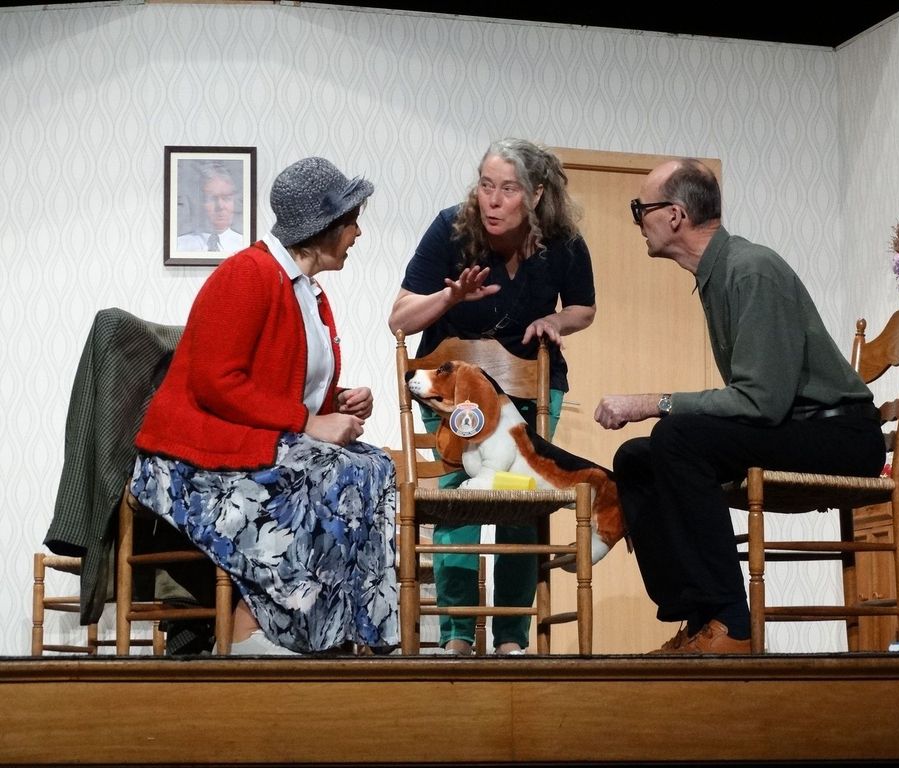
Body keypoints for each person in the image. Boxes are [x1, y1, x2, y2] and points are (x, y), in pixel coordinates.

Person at [594, 158, 885, 655]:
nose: (638, 220)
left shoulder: (751, 270)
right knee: (635, 459)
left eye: (640, 209)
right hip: (795, 425)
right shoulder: (719, 274)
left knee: (675, 436)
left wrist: (653, 403)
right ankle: (700, 617)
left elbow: (761, 402)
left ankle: (733, 622)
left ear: (675, 215)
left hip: (841, 436)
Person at [132, 156, 398, 655]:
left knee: (376, 466)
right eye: (350, 221)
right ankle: (259, 626)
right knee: (328, 470)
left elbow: (284, 388)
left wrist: (339, 401)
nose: (358, 233)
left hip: (256, 443)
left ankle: (350, 632)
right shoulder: (247, 274)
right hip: (191, 460)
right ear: (321, 227)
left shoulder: (309, 293)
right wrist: (308, 422)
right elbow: (216, 382)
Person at [388, 137, 596, 656]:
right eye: (486, 185)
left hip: (532, 388)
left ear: (536, 194)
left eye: (508, 189)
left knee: (519, 499)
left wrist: (555, 320)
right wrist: (451, 296)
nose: (493, 201)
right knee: (458, 499)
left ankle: (510, 639)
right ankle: (458, 636)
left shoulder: (561, 240)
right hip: (453, 393)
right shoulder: (451, 229)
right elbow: (400, 319)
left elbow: (584, 308)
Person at [175, 161, 247, 253]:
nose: (220, 206)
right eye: (212, 198)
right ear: (200, 202)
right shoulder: (180, 246)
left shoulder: (244, 246)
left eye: (226, 198)